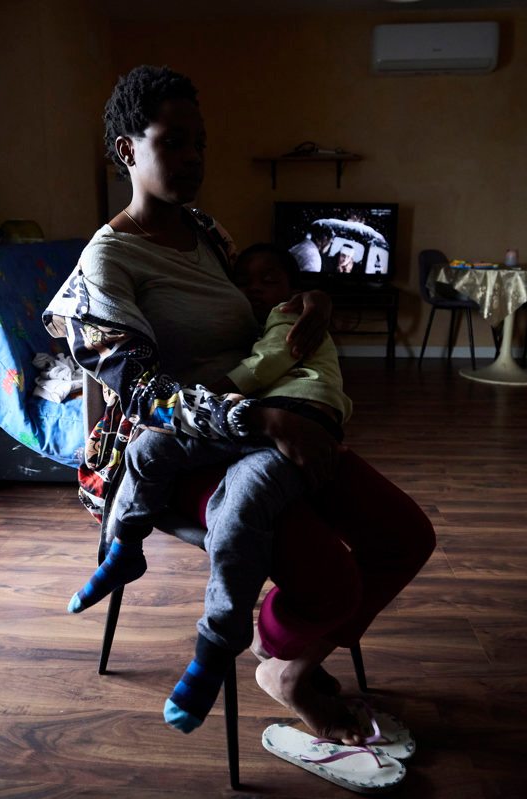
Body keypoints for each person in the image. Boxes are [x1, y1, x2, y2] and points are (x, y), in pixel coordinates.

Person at [43, 65, 435, 745]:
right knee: (332, 583)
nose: (194, 158)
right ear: (125, 151)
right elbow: (138, 389)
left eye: (201, 143)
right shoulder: (109, 261)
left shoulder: (206, 231)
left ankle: (294, 662)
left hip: (265, 417)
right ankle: (279, 665)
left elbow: (258, 311)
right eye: (174, 142)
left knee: (405, 536)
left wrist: (308, 301)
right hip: (181, 451)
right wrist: (255, 418)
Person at [65, 243, 352, 732]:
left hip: (297, 416)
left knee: (241, 508)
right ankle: (125, 547)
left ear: (290, 287)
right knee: (148, 449)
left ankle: (215, 647)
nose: (255, 291)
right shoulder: (107, 260)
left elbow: (270, 360)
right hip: (250, 414)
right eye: (246, 283)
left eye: (270, 281)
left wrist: (216, 392)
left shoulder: (283, 312)